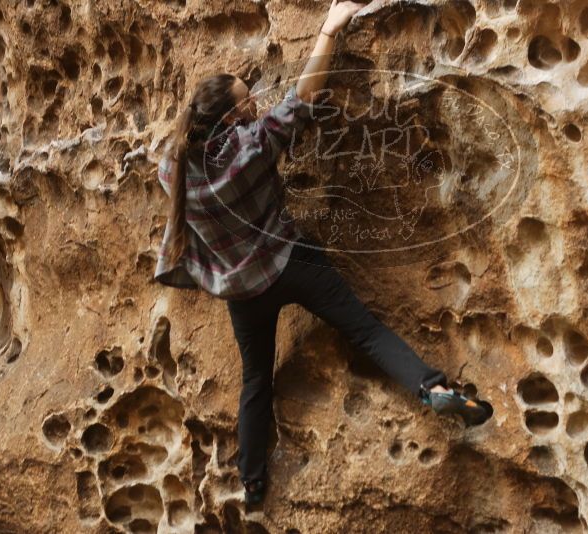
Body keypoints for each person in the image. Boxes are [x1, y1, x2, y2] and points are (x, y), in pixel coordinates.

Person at [154, 0, 493, 505]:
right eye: (246, 102)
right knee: (365, 330)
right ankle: (432, 388)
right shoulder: (251, 148)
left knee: (255, 380)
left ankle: (252, 482)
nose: (254, 105)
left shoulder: (174, 169)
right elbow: (301, 99)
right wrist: (330, 32)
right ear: (230, 117)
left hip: (242, 291)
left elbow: (189, 153)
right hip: (294, 261)